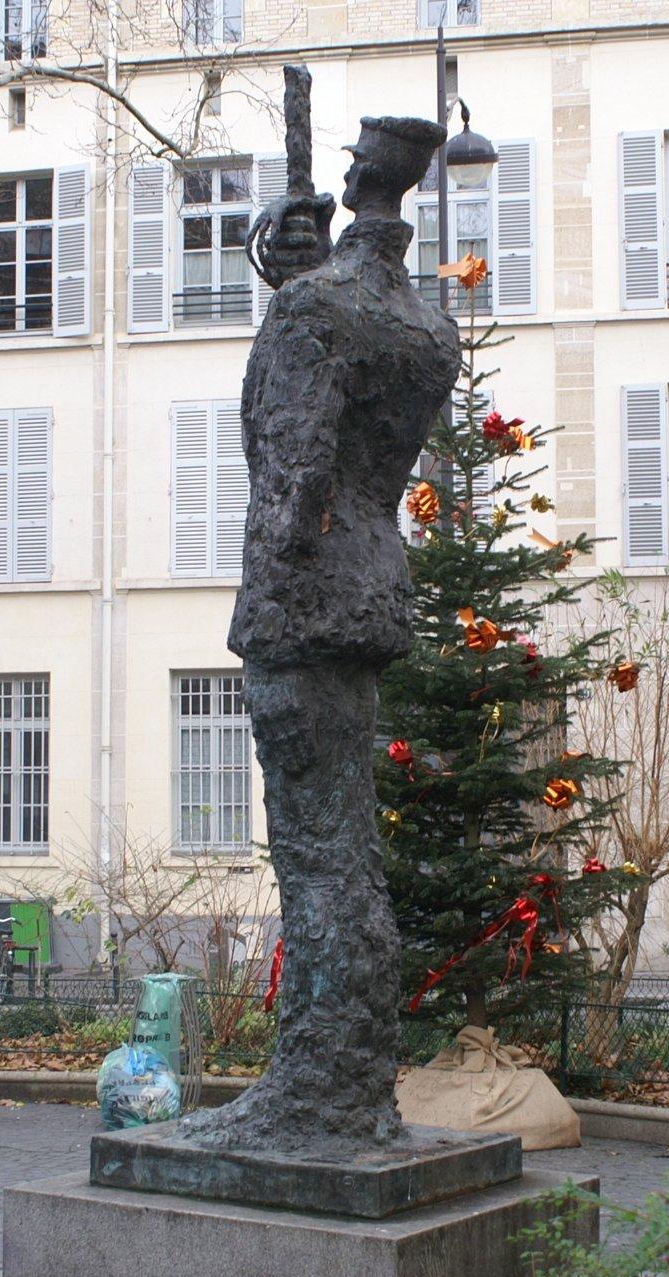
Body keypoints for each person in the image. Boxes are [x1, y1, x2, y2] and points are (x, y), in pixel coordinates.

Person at [178, 116, 459, 1156]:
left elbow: (294, 470)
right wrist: (291, 289)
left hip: (302, 594)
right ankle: (344, 1083)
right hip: (373, 580)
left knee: (316, 851)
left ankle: (318, 1093)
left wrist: (290, 305)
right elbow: (356, 421)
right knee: (349, 849)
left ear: (347, 183)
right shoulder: (426, 323)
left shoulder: (315, 309)